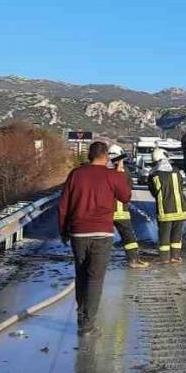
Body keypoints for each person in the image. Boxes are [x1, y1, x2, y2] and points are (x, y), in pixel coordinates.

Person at [58, 140, 132, 334]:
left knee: (81, 275)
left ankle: (81, 315)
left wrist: (63, 231)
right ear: (106, 156)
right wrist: (120, 172)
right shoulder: (112, 175)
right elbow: (125, 196)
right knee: (95, 278)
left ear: (89, 155)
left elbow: (63, 205)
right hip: (102, 233)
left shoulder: (76, 174)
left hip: (78, 232)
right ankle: (87, 324)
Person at [107, 144, 148, 269]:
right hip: (120, 210)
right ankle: (133, 260)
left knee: (103, 236)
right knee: (128, 236)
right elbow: (128, 187)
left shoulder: (102, 170)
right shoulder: (123, 170)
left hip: (104, 210)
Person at [148, 147, 186, 264]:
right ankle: (175, 257)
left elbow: (153, 192)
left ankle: (164, 258)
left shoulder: (153, 175)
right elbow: (181, 186)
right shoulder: (176, 171)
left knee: (164, 236)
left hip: (165, 211)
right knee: (177, 235)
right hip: (180, 210)